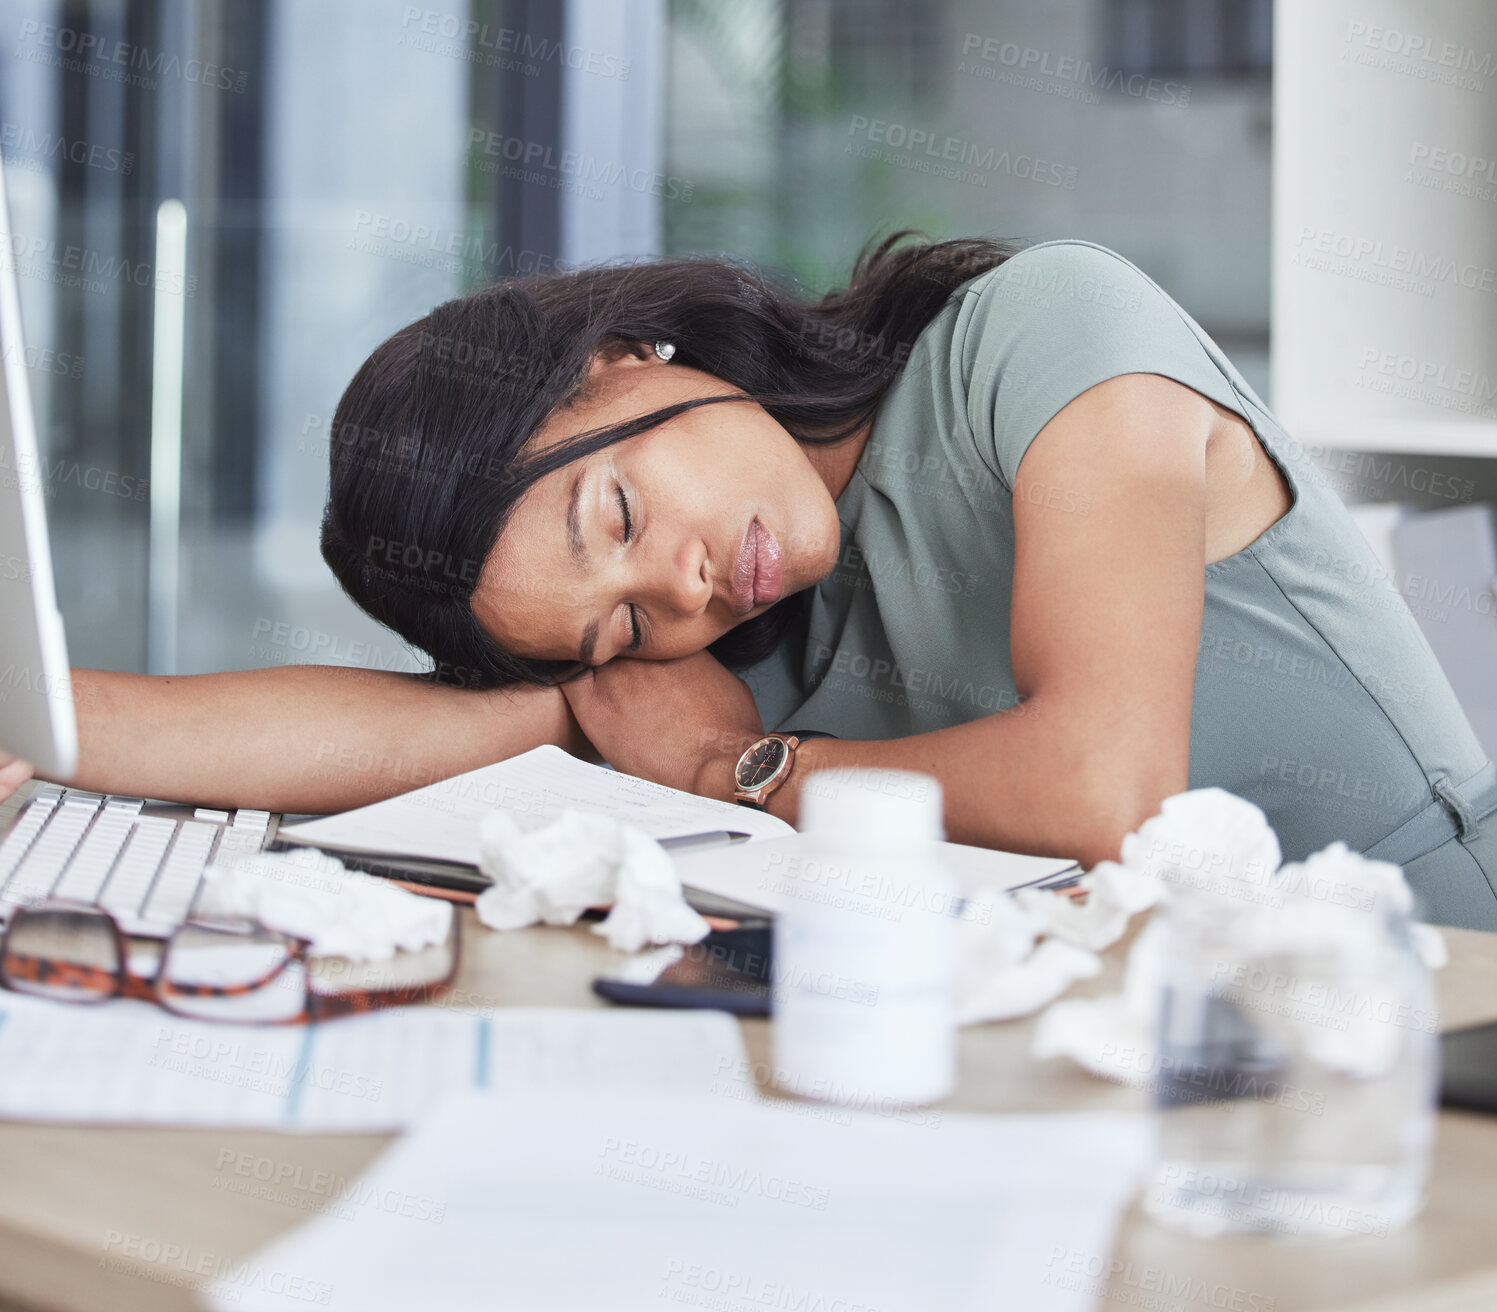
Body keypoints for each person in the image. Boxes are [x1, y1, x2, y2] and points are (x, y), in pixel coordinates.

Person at [3, 235, 1494, 927]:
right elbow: (405, 736)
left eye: (619, 512)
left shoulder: (1051, 332)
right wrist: (42, 720)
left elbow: (1106, 786)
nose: (685, 590)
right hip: (1171, 1050)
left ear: (622, 359)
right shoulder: (759, 628)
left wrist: (736, 762)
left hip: (1445, 998)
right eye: (620, 624)